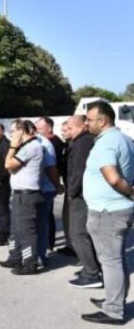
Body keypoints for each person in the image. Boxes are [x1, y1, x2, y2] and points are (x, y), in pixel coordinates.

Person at [81, 101, 134, 325]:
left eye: (90, 120)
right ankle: (115, 300)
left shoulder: (106, 143)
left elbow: (112, 178)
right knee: (117, 259)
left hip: (107, 212)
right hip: (117, 209)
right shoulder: (124, 139)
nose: (86, 124)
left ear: (102, 121)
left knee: (110, 261)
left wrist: (131, 193)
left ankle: (113, 310)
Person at [0, 119, 44, 275]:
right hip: (19, 194)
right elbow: (11, 168)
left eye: (13, 131)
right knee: (16, 230)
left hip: (27, 195)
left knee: (26, 231)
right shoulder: (24, 147)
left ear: (21, 131)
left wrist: (12, 146)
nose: (11, 135)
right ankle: (15, 257)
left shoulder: (32, 146)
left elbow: (8, 165)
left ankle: (30, 263)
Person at [64, 115, 100, 289]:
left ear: (81, 127)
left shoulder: (82, 143)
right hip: (81, 193)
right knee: (82, 234)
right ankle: (91, 268)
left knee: (78, 234)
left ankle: (91, 273)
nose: (66, 131)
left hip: (80, 196)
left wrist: (71, 192)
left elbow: (78, 170)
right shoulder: (81, 141)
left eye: (70, 128)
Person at [36, 116, 66, 252]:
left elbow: (54, 167)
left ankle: (49, 243)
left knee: (47, 215)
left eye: (39, 128)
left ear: (48, 128)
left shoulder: (55, 143)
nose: (36, 131)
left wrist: (56, 185)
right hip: (45, 184)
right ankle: (47, 242)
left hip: (49, 184)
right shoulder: (42, 141)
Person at [35, 130, 62, 266]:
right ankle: (39, 252)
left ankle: (41, 254)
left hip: (44, 190)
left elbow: (51, 168)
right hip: (39, 190)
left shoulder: (43, 144)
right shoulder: (37, 142)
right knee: (39, 223)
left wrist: (57, 186)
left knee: (42, 224)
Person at [58, 120, 77, 256]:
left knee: (74, 220)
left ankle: (76, 248)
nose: (63, 133)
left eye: (65, 130)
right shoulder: (66, 145)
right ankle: (70, 245)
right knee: (67, 218)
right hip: (69, 187)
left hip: (74, 189)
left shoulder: (77, 145)